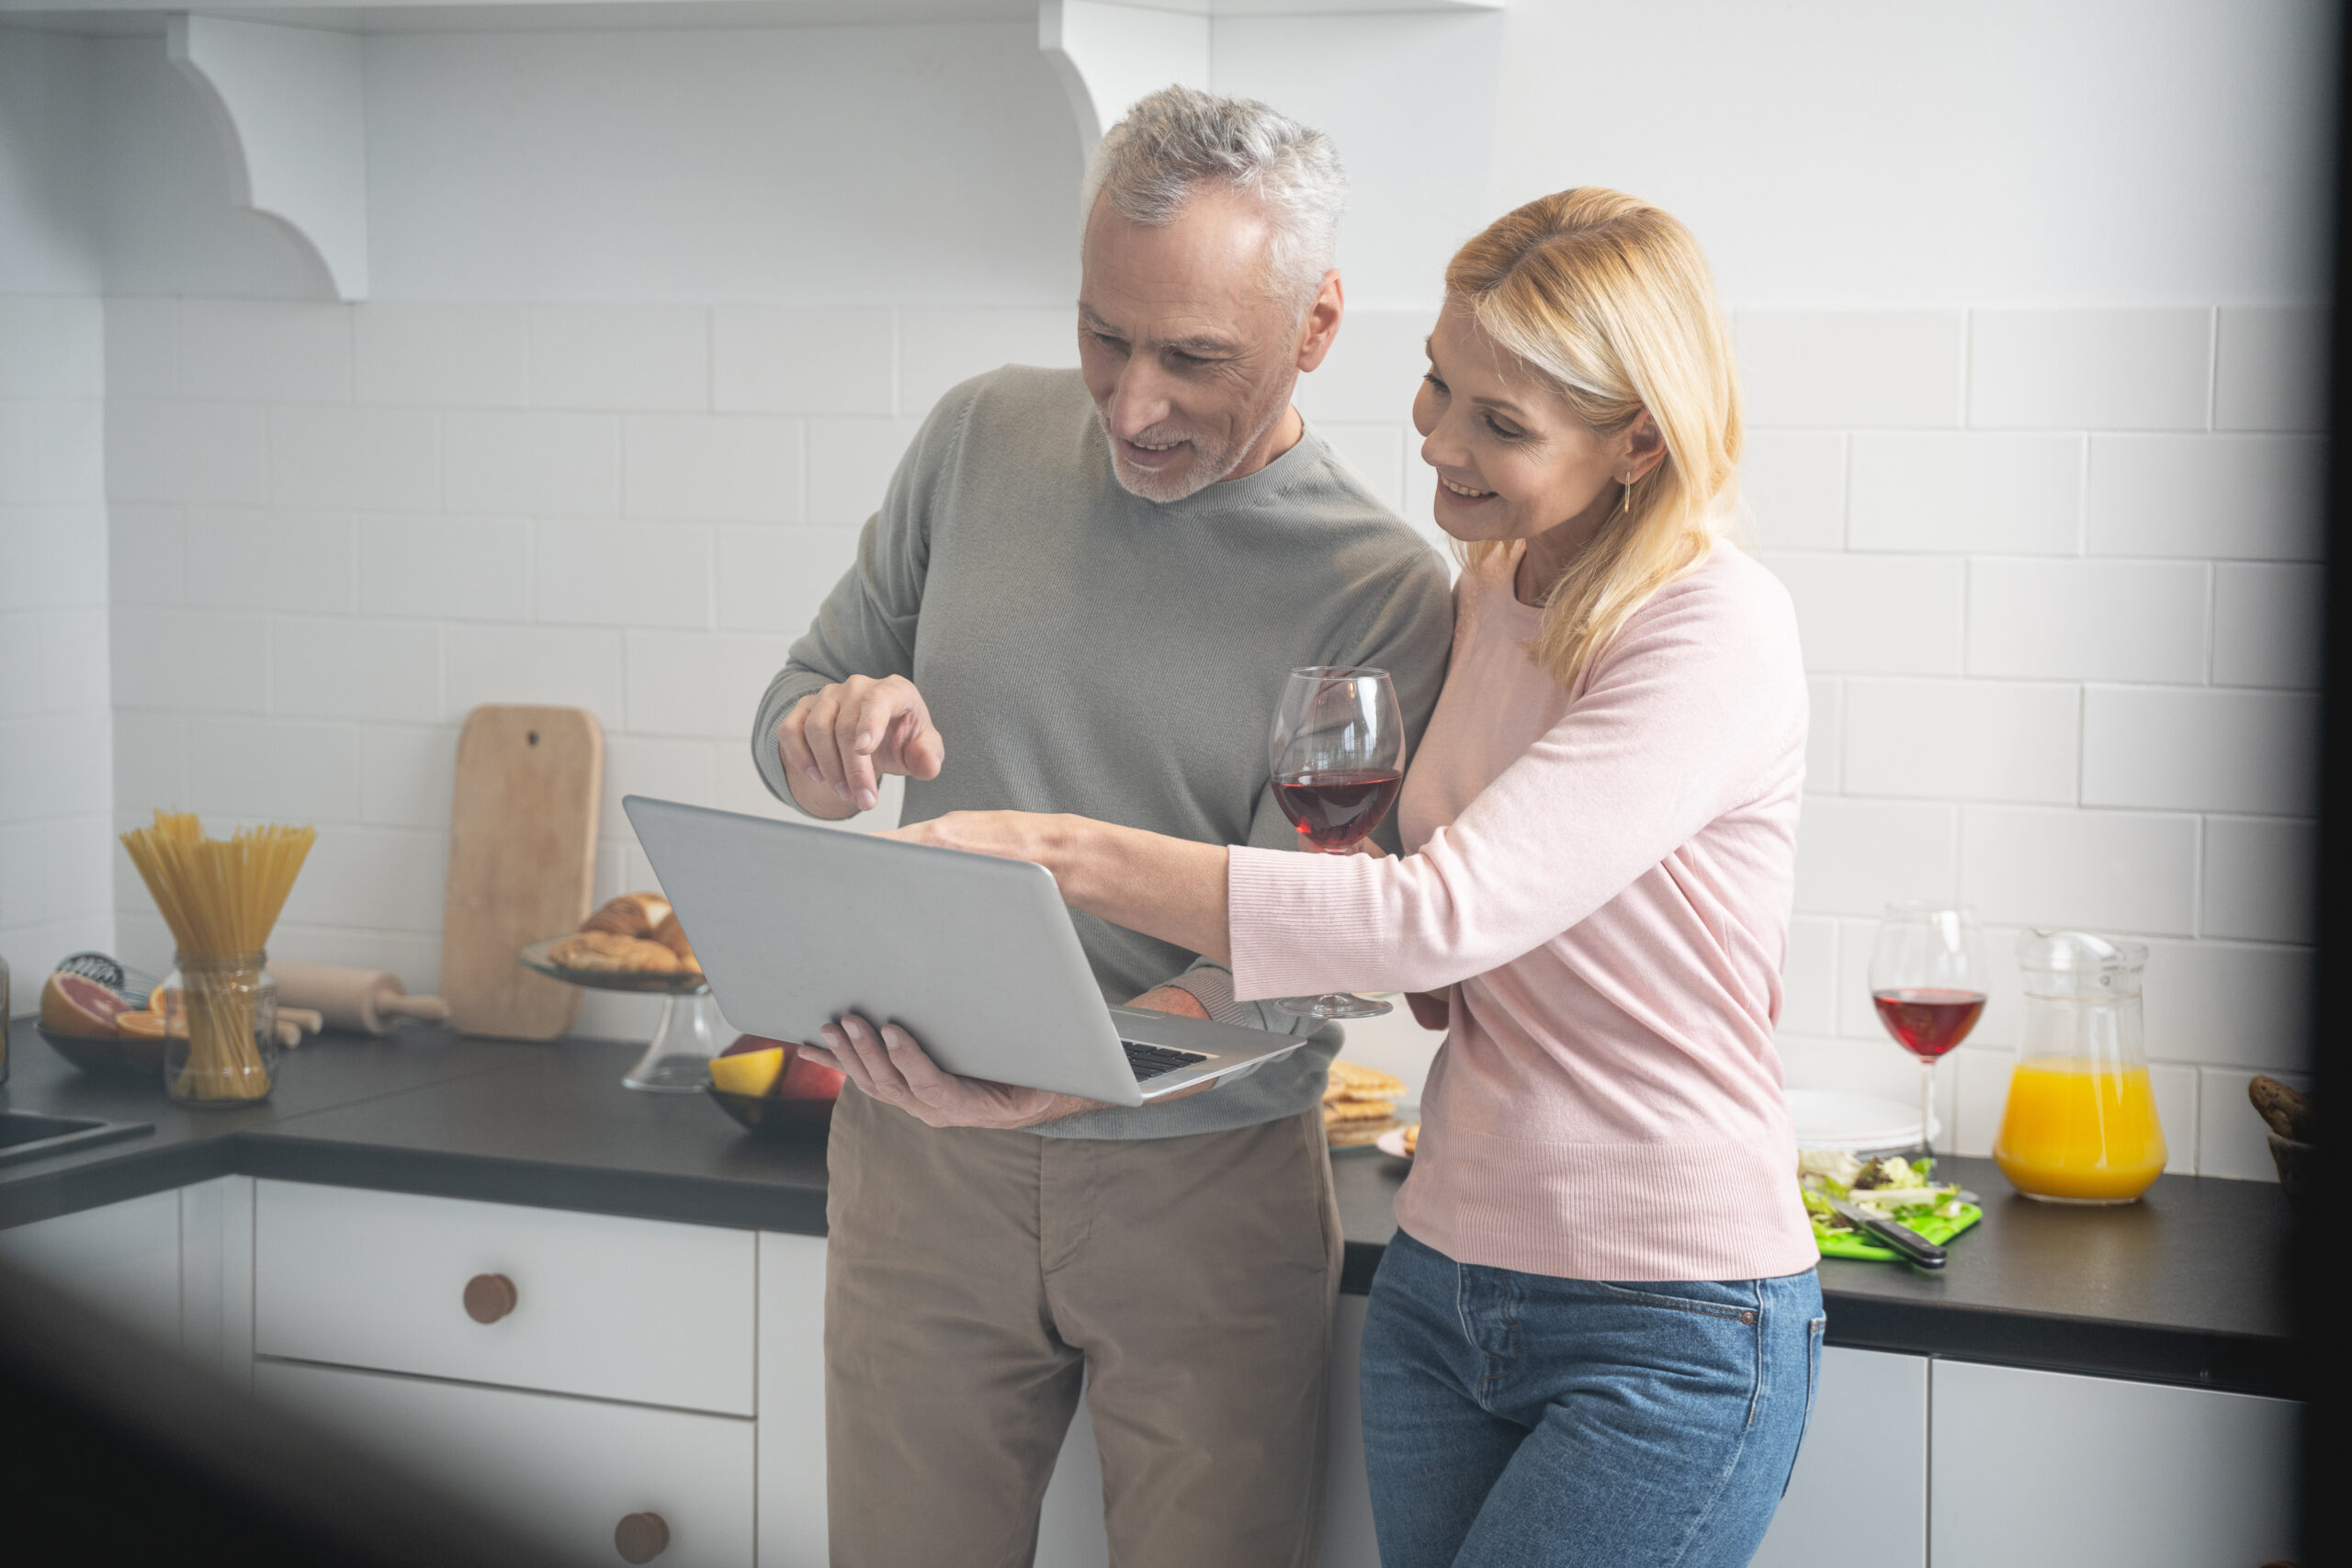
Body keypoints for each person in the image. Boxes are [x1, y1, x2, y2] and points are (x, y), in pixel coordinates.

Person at [888, 187, 1825, 1568]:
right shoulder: (1491, 593)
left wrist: (1058, 847)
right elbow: (1414, 946)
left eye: (1501, 424)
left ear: (1639, 437)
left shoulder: (1711, 625)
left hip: (1669, 1309)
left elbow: (1432, 911)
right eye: (1441, 381)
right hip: (1448, 1280)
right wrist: (1100, 1061)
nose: (1437, 438)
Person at [752, 87, 1453, 1568]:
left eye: (1195, 357)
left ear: (1316, 326)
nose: (1133, 404)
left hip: (1203, 1187)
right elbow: (802, 705)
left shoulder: (1380, 586)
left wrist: (1075, 1087)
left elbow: (1302, 942)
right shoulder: (977, 438)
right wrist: (822, 750)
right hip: (915, 1168)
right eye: (1103, 336)